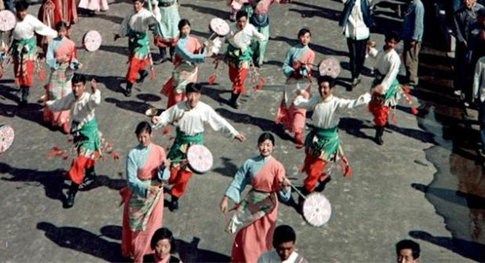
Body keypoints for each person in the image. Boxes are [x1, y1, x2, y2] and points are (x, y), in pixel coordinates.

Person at [152, 83, 244, 212]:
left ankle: (175, 197)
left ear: (199, 95)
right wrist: (158, 120)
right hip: (180, 144)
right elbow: (165, 116)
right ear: (186, 95)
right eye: (190, 95)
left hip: (195, 148)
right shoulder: (178, 108)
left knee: (185, 176)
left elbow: (219, 121)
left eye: (196, 95)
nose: (193, 98)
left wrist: (234, 133)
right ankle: (161, 183)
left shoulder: (204, 109)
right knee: (171, 172)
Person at [220, 133, 291, 263]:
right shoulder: (250, 163)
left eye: (268, 145)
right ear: (258, 145)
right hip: (251, 202)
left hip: (268, 206)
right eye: (262, 144)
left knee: (264, 240)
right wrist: (225, 198)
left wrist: (285, 187)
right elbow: (238, 180)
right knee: (246, 237)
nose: (265, 148)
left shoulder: (277, 167)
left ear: (273, 147)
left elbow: (283, 188)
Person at [293, 76, 369, 193]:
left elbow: (350, 104)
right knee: (309, 165)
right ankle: (322, 178)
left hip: (328, 142)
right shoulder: (316, 99)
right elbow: (303, 104)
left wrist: (365, 98)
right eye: (320, 87)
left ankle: (304, 194)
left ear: (332, 89)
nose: (322, 90)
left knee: (314, 170)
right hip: (315, 139)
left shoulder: (336, 103)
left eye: (325, 88)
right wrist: (299, 96)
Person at [45, 73, 102, 209]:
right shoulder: (71, 97)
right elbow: (60, 104)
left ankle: (71, 193)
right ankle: (91, 173)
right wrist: (47, 103)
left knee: (78, 162)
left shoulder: (88, 98)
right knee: (85, 155)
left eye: (79, 86)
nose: (76, 89)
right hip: (77, 131)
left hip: (89, 132)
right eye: (74, 86)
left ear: (84, 86)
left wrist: (95, 91)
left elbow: (96, 102)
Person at [336, 0, 398, 89]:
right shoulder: (349, 0)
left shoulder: (367, 1)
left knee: (361, 57)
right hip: (351, 33)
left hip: (363, 34)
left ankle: (357, 73)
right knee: (353, 56)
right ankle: (354, 77)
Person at [120, 122, 169, 263]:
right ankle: (138, 256)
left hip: (156, 195)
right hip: (139, 195)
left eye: (145, 136)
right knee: (137, 230)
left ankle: (151, 256)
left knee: (153, 227)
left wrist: (164, 168)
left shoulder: (159, 151)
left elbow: (165, 177)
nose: (143, 140)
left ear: (151, 135)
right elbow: (131, 180)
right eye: (140, 137)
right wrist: (147, 187)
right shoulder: (133, 154)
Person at [10, 0, 57, 106]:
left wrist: (56, 34)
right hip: (17, 48)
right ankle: (22, 86)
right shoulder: (12, 20)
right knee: (18, 69)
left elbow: (43, 28)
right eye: (20, 11)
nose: (22, 13)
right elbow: (6, 32)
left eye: (24, 11)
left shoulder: (31, 20)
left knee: (27, 70)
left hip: (29, 48)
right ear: (17, 11)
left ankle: (25, 94)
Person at [275, 28, 315, 146]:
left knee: (301, 107)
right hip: (291, 82)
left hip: (304, 84)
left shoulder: (311, 53)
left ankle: (298, 132)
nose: (305, 39)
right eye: (303, 36)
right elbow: (285, 65)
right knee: (290, 105)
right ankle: (290, 125)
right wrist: (293, 71)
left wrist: (304, 68)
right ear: (298, 37)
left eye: (307, 37)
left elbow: (309, 69)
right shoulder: (292, 50)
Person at [116, 0, 160, 97]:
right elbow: (124, 24)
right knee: (133, 61)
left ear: (142, 3)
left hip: (142, 43)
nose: (136, 6)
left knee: (133, 66)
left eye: (138, 4)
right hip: (132, 41)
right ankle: (142, 72)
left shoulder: (146, 14)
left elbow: (155, 21)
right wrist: (120, 34)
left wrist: (155, 10)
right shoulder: (130, 13)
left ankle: (129, 86)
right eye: (134, 4)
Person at [161, 19, 211, 106]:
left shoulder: (194, 40)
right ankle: (175, 108)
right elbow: (189, 56)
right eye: (184, 29)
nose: (186, 31)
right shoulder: (179, 44)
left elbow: (198, 52)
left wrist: (203, 48)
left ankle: (185, 108)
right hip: (181, 70)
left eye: (187, 28)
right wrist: (205, 55)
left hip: (192, 70)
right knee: (178, 92)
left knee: (188, 92)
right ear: (180, 30)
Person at [366, 32, 403, 145]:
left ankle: (379, 135)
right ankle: (383, 122)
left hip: (387, 85)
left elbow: (390, 76)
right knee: (376, 108)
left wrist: (382, 88)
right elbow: (378, 56)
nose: (391, 45)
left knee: (381, 110)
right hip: (378, 81)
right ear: (385, 40)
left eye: (394, 43)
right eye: (390, 42)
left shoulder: (395, 58)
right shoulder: (383, 51)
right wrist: (370, 49)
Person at [225, 10, 266, 108]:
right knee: (233, 77)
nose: (242, 24)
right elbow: (222, 38)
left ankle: (233, 99)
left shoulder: (250, 28)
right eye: (239, 21)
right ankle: (235, 88)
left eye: (244, 21)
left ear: (247, 20)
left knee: (240, 79)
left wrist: (261, 39)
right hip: (232, 56)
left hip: (244, 57)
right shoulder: (230, 28)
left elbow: (260, 37)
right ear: (236, 20)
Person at [43, 22, 77, 132]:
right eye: (59, 31)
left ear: (66, 31)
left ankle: (64, 121)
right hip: (55, 72)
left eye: (63, 31)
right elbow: (49, 60)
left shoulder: (71, 44)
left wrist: (75, 65)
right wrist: (57, 60)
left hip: (66, 72)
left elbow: (74, 59)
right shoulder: (52, 43)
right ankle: (54, 119)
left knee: (66, 96)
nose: (61, 33)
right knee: (54, 95)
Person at [401, 0, 424, 87]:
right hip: (408, 36)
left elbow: (418, 24)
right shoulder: (412, 4)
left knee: (411, 59)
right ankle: (408, 77)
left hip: (413, 38)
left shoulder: (418, 6)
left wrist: (414, 39)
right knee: (407, 57)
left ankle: (412, 80)